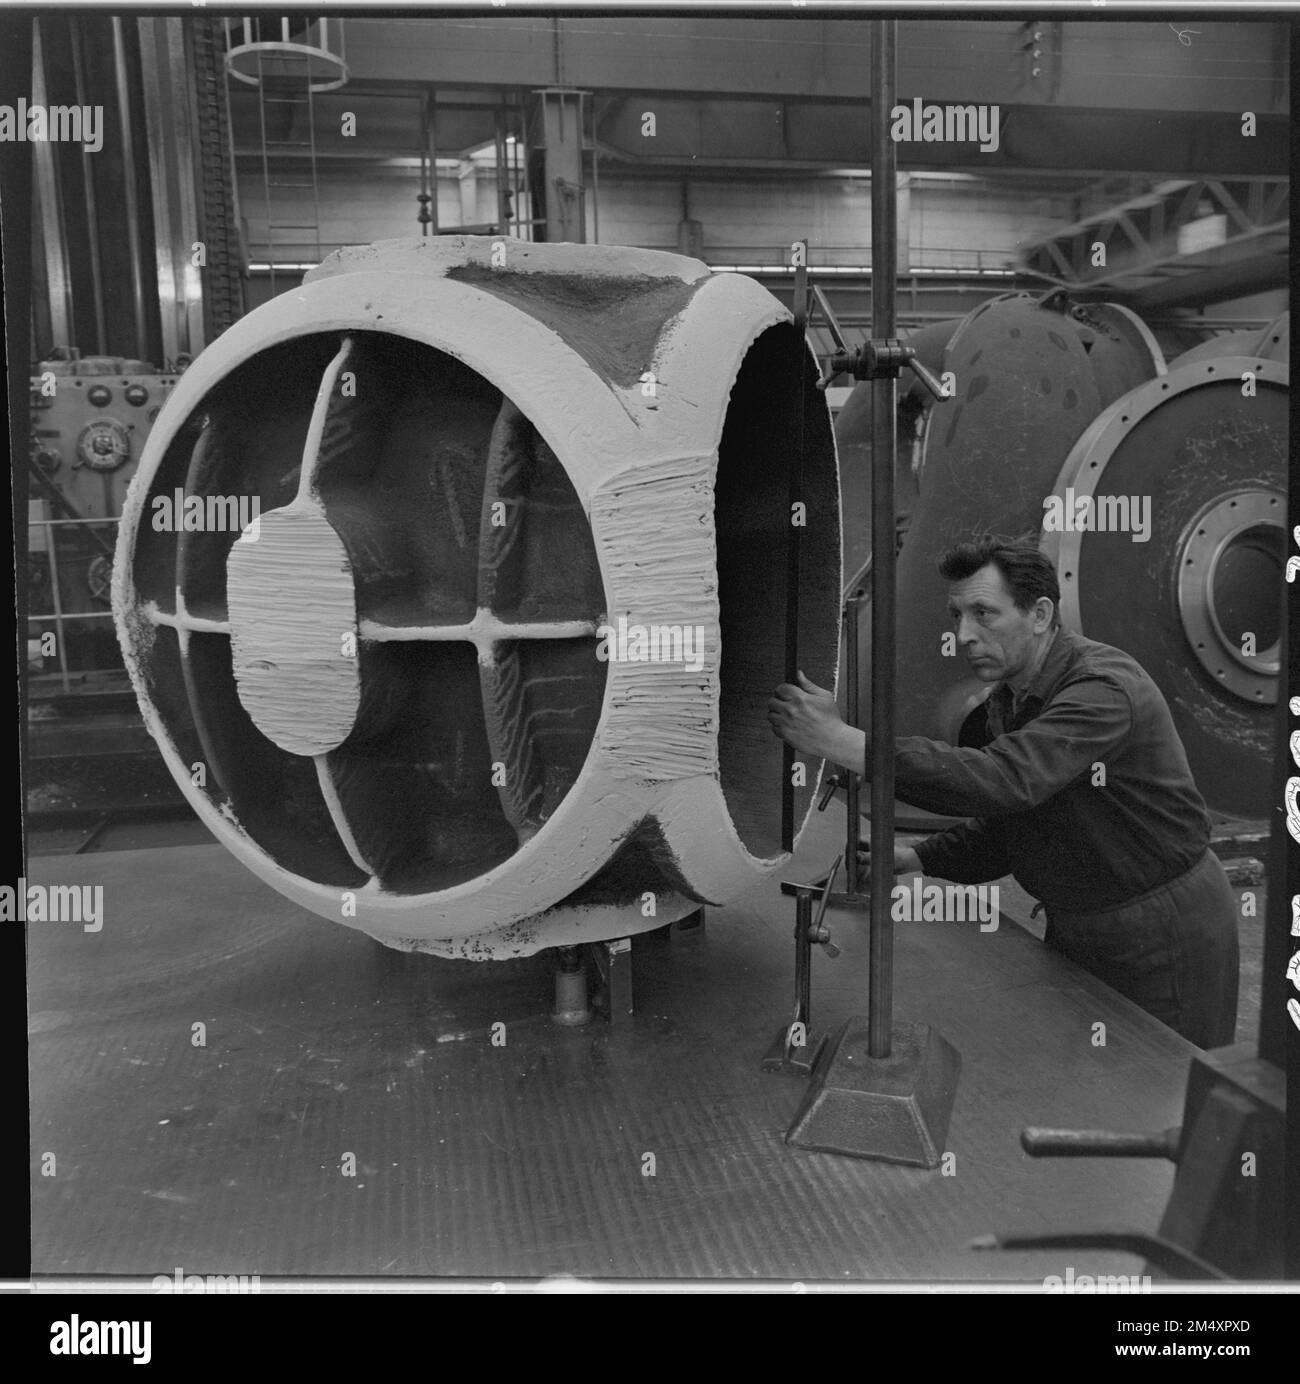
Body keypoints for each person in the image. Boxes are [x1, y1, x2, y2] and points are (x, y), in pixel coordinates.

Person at [767, 534, 1239, 1049]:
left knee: (1165, 1093)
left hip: (1158, 932)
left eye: (983, 614)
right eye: (957, 615)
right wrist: (914, 857)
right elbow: (1016, 822)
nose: (964, 634)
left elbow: (1005, 781)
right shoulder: (1013, 697)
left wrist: (846, 742)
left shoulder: (1100, 691)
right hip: (1081, 921)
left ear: (1039, 614)